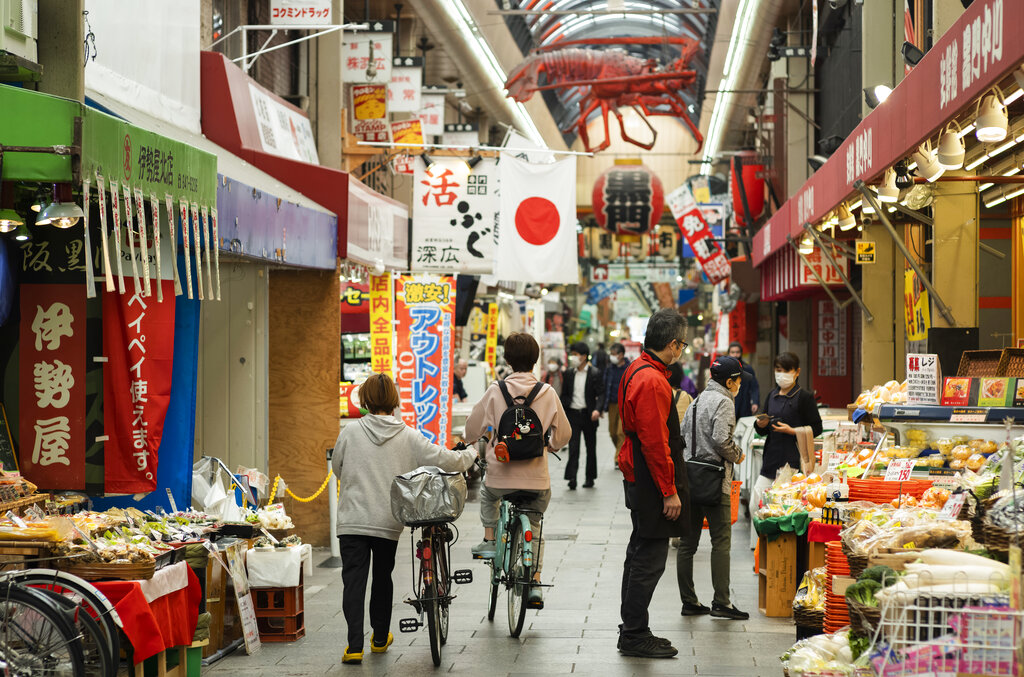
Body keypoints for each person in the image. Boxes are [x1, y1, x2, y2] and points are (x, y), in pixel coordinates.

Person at [331, 373, 476, 664]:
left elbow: (338, 468)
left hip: (353, 520)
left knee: (354, 581)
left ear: (365, 400)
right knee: (382, 577)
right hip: (388, 521)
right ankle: (381, 638)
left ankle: (354, 646)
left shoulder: (350, 432)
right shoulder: (406, 435)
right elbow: (445, 458)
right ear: (394, 400)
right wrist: (471, 453)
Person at [465, 333, 571, 606]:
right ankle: (534, 581)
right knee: (534, 526)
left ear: (507, 360)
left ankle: (489, 541)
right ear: (536, 361)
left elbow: (472, 428)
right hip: (537, 480)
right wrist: (551, 445)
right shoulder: (547, 392)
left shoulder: (494, 390)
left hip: (501, 476)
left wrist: (469, 439)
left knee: (489, 495)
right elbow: (564, 434)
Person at [616, 308, 689, 659]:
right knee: (650, 556)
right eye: (683, 345)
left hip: (639, 471)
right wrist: (669, 490)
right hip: (648, 476)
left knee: (640, 550)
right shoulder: (652, 380)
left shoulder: (639, 369)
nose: (682, 352)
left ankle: (632, 627)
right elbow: (655, 443)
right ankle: (634, 633)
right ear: (673, 344)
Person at [676, 356, 749, 620]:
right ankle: (722, 602)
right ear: (729, 381)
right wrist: (737, 454)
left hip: (690, 477)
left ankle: (689, 601)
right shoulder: (724, 401)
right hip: (714, 480)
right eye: (738, 380)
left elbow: (683, 436)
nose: (739, 385)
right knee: (721, 543)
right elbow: (721, 440)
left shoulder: (696, 400)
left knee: (687, 544)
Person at [750, 352, 823, 546]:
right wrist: (762, 424)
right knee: (756, 504)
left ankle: (782, 548)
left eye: (786, 370)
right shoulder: (771, 395)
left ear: (797, 372)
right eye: (778, 370)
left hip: (793, 464)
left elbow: (817, 427)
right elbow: (761, 430)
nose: (781, 375)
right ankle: (763, 548)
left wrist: (793, 431)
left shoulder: (804, 397)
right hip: (771, 458)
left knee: (786, 511)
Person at [560, 341, 605, 489]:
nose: (573, 357)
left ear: (584, 356)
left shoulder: (595, 373)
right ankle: (572, 477)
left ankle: (590, 478)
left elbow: (601, 394)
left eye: (575, 355)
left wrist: (597, 409)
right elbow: (564, 394)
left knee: (590, 448)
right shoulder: (568, 373)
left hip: (589, 415)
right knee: (573, 448)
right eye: (572, 354)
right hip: (573, 415)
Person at [603, 343, 630, 458]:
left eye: (614, 354)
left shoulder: (629, 368)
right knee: (612, 433)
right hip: (612, 403)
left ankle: (618, 458)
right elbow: (604, 385)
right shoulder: (609, 369)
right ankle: (621, 452)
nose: (611, 356)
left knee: (620, 432)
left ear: (621, 355)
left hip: (624, 404)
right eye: (611, 354)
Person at [727, 342, 760, 418]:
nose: (735, 355)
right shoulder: (725, 369)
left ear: (741, 353)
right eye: (732, 352)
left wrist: (755, 402)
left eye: (737, 352)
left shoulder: (747, 369)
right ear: (729, 353)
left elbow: (754, 387)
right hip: (729, 405)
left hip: (744, 405)